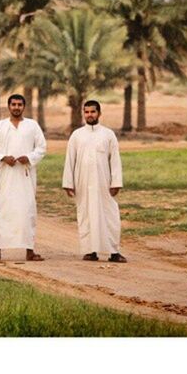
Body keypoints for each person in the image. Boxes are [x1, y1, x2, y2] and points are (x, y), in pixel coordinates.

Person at [62, 100, 127, 262]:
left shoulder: (108, 134)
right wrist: (68, 183)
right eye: (87, 112)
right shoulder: (77, 135)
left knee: (110, 216)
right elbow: (70, 160)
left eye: (93, 112)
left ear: (99, 113)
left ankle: (114, 252)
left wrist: (116, 182)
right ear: (83, 113)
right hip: (82, 182)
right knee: (86, 216)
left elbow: (115, 160)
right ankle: (91, 251)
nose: (89, 115)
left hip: (104, 183)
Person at [0, 94, 47, 261]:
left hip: (25, 175)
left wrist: (29, 157)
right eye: (14, 104)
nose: (16, 107)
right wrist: (3, 158)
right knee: (2, 211)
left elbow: (41, 148)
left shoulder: (32, 126)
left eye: (20, 104)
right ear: (9, 106)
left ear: (24, 107)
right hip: (5, 175)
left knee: (27, 211)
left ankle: (29, 250)